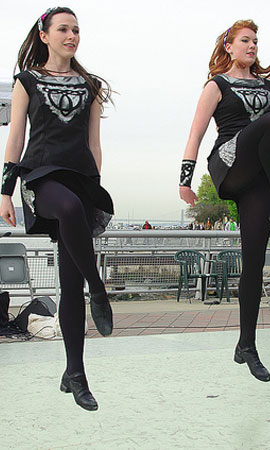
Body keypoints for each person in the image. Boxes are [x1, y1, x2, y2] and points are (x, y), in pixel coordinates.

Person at [0, 7, 114, 410]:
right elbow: (15, 137)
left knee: (70, 283)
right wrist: (5, 191)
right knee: (65, 208)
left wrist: (96, 188)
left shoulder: (90, 85)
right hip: (42, 178)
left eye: (77, 30)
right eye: (63, 29)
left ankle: (75, 375)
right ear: (44, 35)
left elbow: (94, 143)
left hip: (81, 180)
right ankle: (100, 289)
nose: (72, 36)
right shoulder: (26, 81)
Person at [179, 20, 270, 382]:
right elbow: (196, 132)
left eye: (256, 41)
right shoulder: (217, 85)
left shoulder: (267, 85)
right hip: (229, 163)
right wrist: (185, 180)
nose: (253, 46)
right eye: (245, 40)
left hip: (261, 177)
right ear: (228, 46)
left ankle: (247, 344)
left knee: (254, 262)